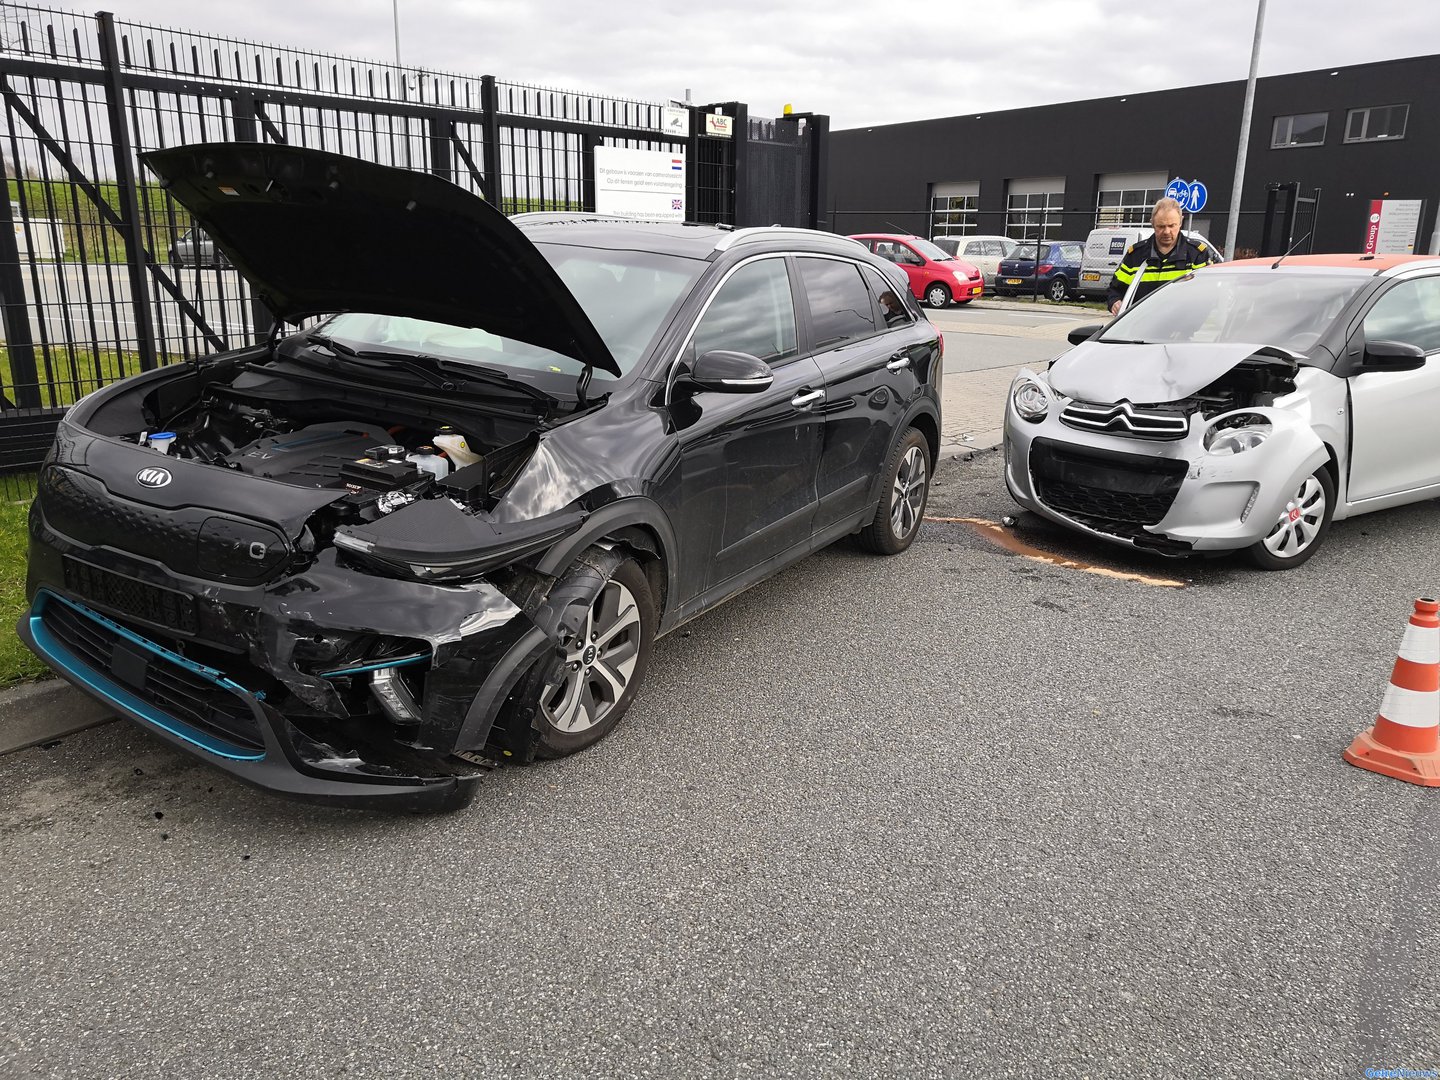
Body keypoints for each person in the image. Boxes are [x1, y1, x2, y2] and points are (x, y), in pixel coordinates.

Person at [1107, 197, 1217, 315]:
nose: (1166, 231)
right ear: (1152, 224)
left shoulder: (1198, 255)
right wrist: (1115, 302)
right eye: (1161, 226)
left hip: (1183, 324)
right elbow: (1114, 290)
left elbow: (1209, 295)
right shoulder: (1135, 256)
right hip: (1141, 323)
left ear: (1180, 222)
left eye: (1172, 225)